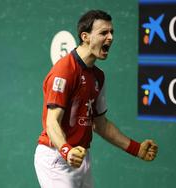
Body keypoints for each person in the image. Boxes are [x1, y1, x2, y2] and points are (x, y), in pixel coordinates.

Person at [34, 9, 158, 188]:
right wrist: (67, 151)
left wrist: (136, 149)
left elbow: (101, 125)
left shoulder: (98, 76)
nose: (110, 38)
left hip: (82, 158)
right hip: (57, 158)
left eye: (112, 32)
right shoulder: (65, 71)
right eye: (103, 33)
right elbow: (51, 122)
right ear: (85, 37)